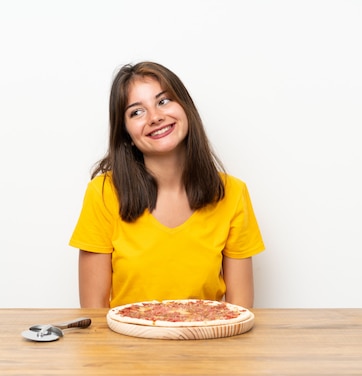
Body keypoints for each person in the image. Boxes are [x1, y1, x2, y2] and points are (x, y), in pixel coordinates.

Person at [69, 61, 265, 309]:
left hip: (207, 344)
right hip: (126, 346)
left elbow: (240, 310)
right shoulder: (103, 193)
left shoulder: (233, 193)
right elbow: (93, 314)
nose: (155, 117)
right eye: (136, 112)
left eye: (163, 101)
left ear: (186, 108)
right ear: (126, 135)